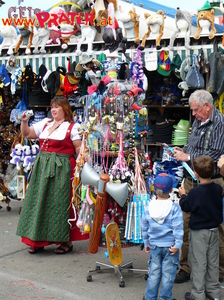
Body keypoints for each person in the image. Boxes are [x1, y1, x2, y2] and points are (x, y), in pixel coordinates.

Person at [16, 96, 88, 254]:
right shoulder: (45, 123)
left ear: (65, 109)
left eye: (57, 107)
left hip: (62, 169)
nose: (53, 110)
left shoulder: (72, 128)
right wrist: (24, 121)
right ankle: (37, 240)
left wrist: (83, 169)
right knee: (40, 202)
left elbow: (78, 150)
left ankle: (66, 242)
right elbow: (27, 133)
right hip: (42, 168)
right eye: (52, 107)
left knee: (60, 204)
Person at [173, 89, 224, 283]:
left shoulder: (220, 124)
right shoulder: (198, 120)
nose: (193, 114)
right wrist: (183, 150)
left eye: (196, 110)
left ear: (207, 106)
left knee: (215, 227)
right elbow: (193, 145)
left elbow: (215, 155)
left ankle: (218, 271)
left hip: (212, 182)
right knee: (186, 225)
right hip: (191, 179)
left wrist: (188, 157)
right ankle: (186, 267)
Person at [179, 155, 223, 300]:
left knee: (198, 263)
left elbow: (186, 207)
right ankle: (214, 292)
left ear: (195, 174)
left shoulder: (195, 192)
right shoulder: (217, 188)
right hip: (214, 231)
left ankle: (197, 294)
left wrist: (183, 196)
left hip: (199, 233)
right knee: (213, 262)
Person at [141, 173, 183, 300]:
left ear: (154, 188)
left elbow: (145, 227)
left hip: (154, 246)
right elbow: (178, 228)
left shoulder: (148, 207)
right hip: (170, 247)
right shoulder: (174, 208)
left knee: (154, 272)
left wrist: (146, 243)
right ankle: (165, 297)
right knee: (168, 274)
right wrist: (177, 245)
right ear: (171, 189)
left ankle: (150, 297)